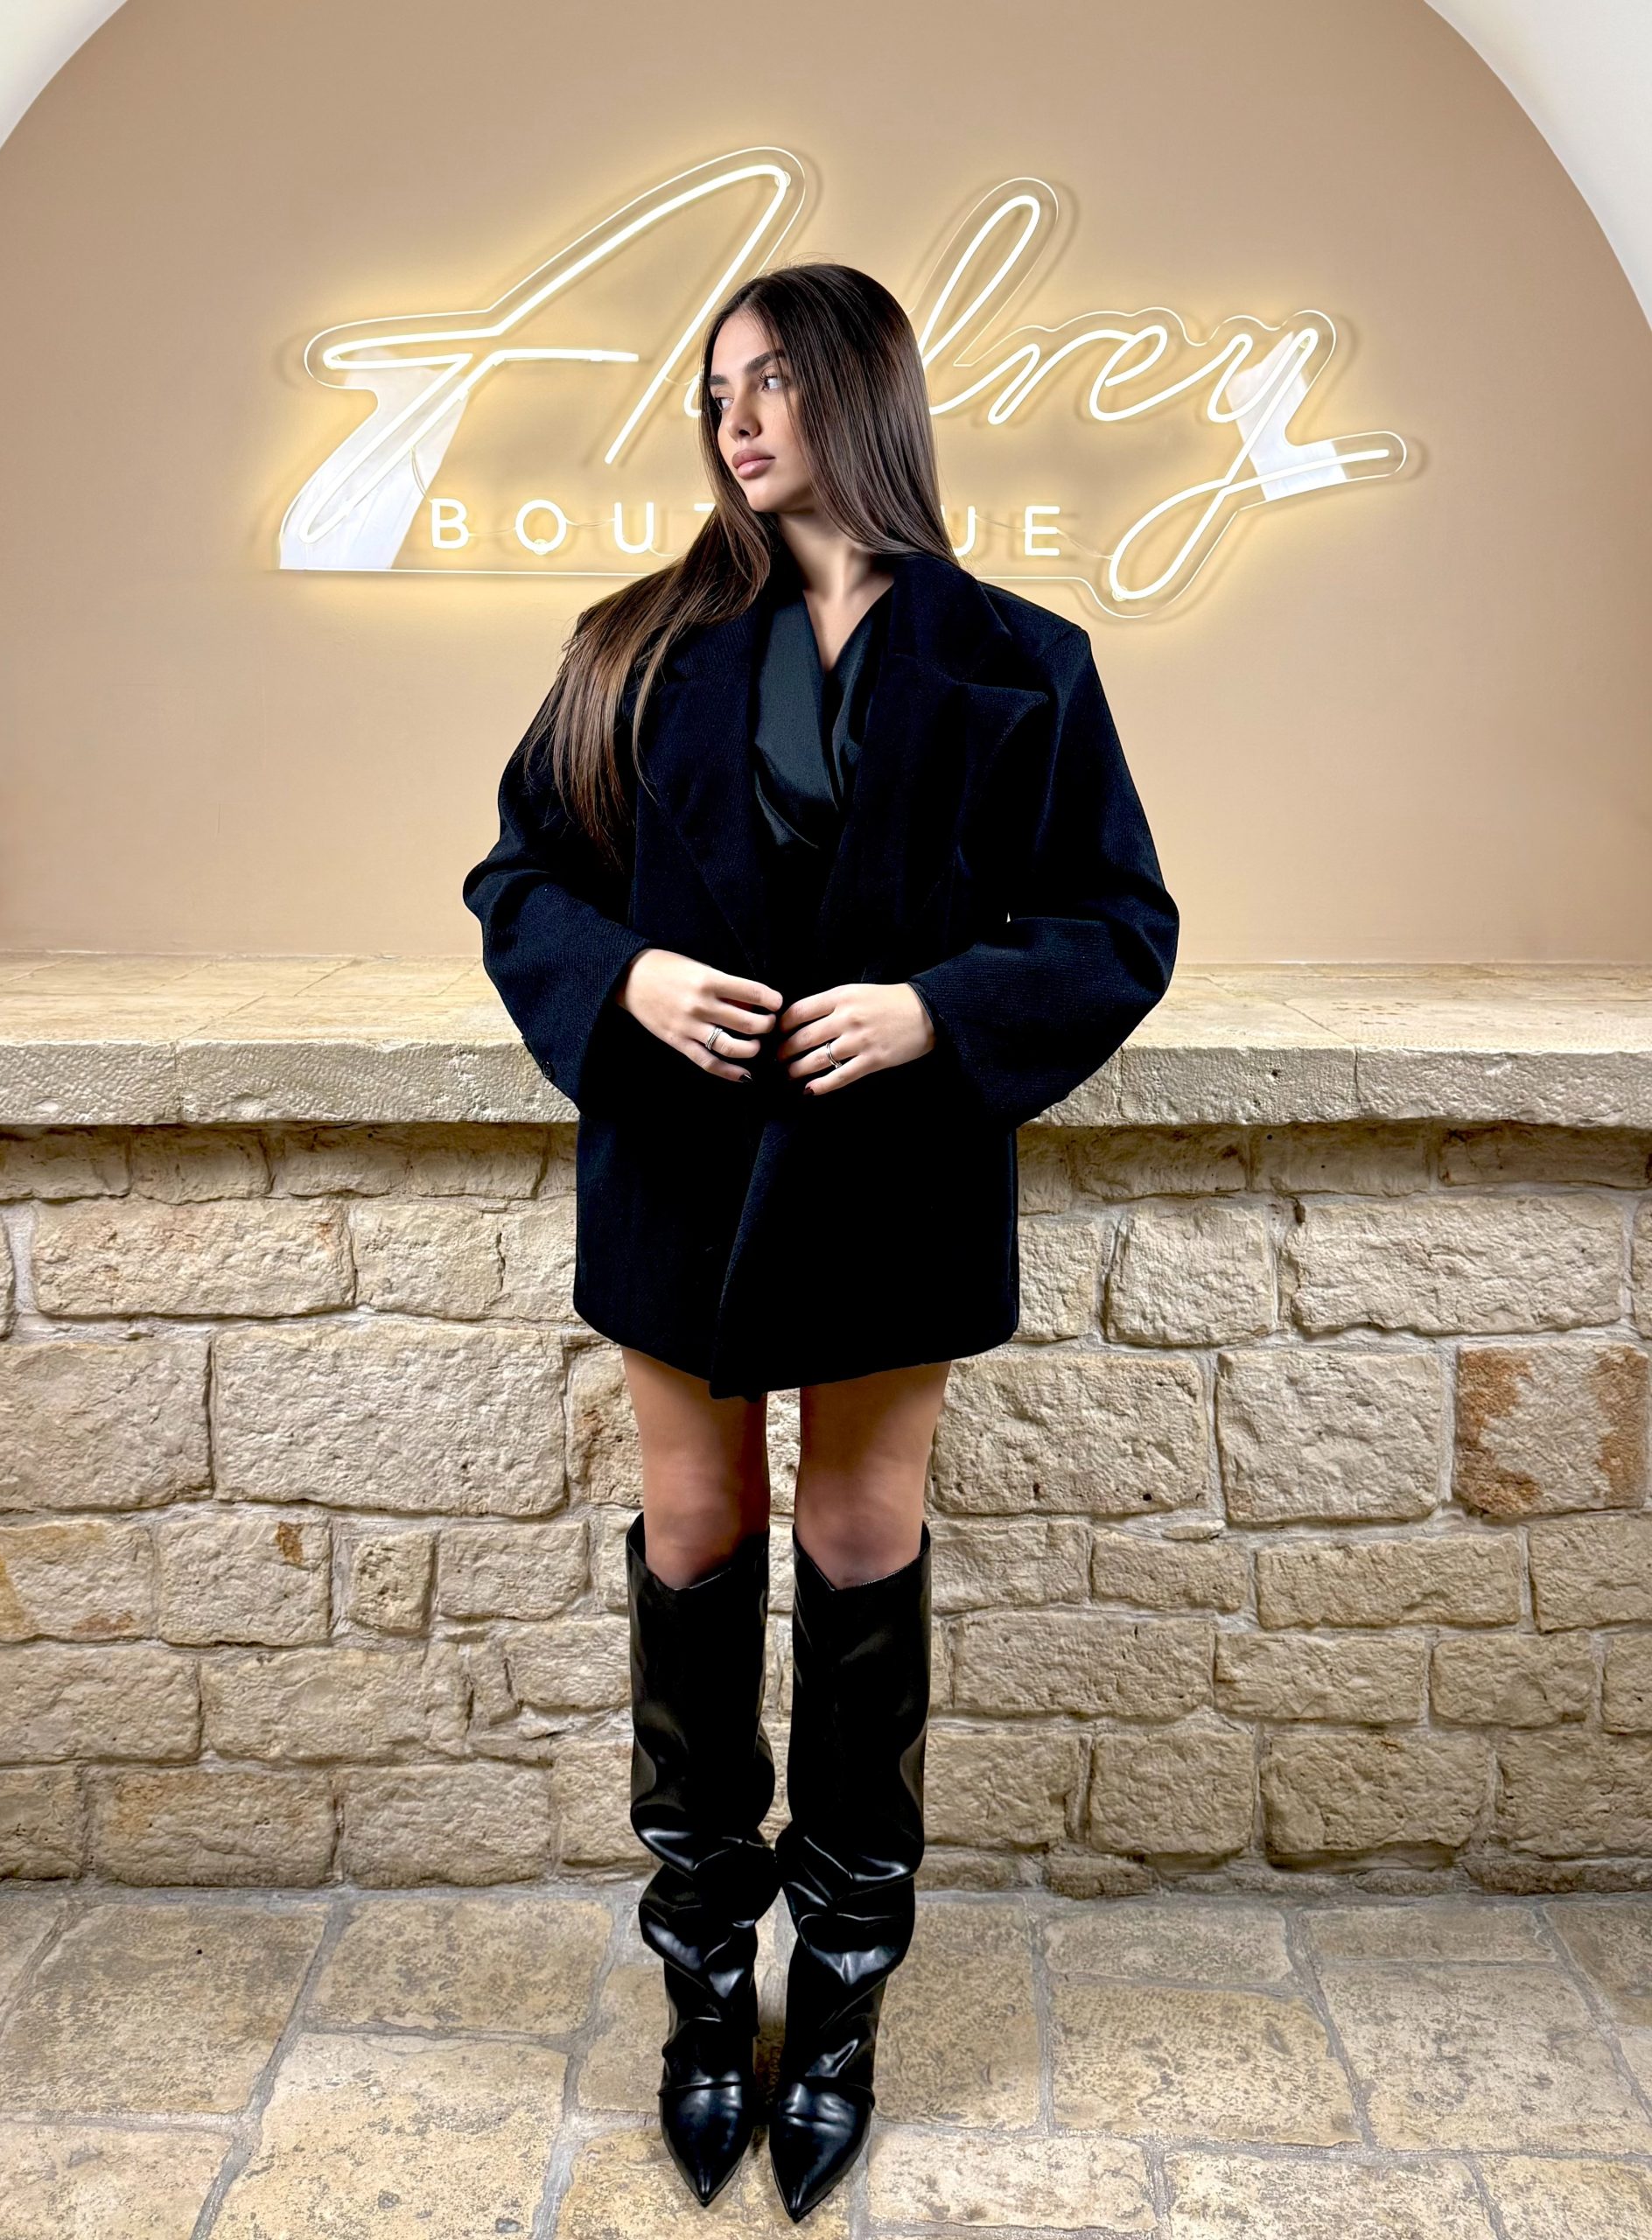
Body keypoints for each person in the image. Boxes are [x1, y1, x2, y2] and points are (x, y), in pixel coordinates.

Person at [462, 262, 1179, 2221]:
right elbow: (519, 876)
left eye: (773, 380)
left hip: (890, 1168)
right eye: (718, 390)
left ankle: (840, 1997)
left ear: (861, 389)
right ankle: (706, 1993)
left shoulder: (1024, 658)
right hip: (682, 1158)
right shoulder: (635, 644)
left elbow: (1120, 923)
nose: (737, 418)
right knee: (695, 1529)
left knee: (862, 1536)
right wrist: (628, 974)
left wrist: (940, 1009)